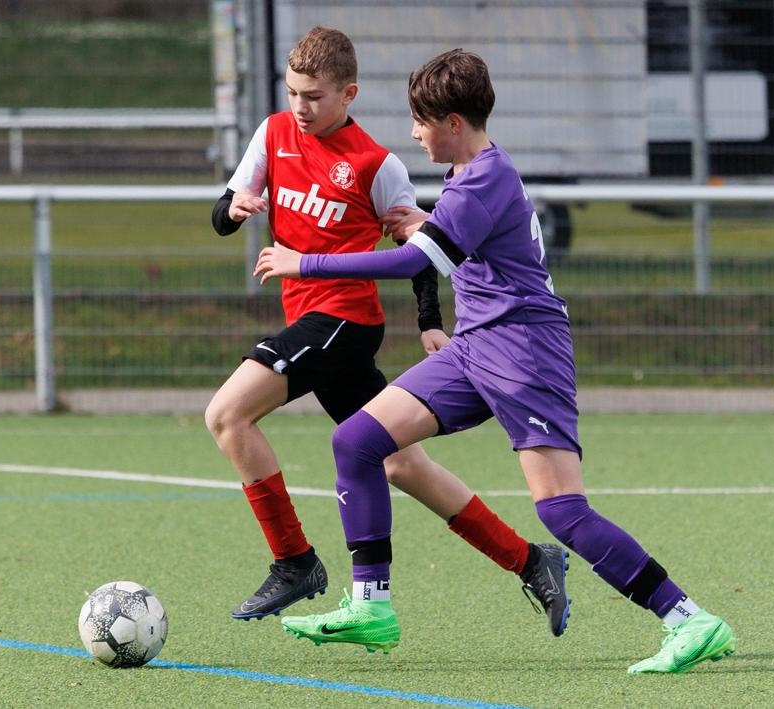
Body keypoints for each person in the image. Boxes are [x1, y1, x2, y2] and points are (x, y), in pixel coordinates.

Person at [255, 48, 736, 673]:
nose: (414, 133)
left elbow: (413, 263)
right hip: (475, 347)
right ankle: (372, 605)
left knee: (561, 510)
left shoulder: (485, 176)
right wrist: (427, 223)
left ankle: (687, 618)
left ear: (454, 122)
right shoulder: (470, 174)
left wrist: (305, 262)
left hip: (525, 353)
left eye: (422, 121)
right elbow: (467, 245)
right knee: (357, 440)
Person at [207, 27, 570, 635]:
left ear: (347, 94)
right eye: (293, 92)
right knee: (402, 465)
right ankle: (532, 561)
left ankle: (294, 561)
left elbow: (421, 249)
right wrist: (235, 209)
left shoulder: (377, 165)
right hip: (309, 319)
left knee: (227, 415)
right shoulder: (272, 134)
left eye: (314, 96)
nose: (300, 106)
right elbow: (221, 212)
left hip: (343, 319)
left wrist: (429, 322)